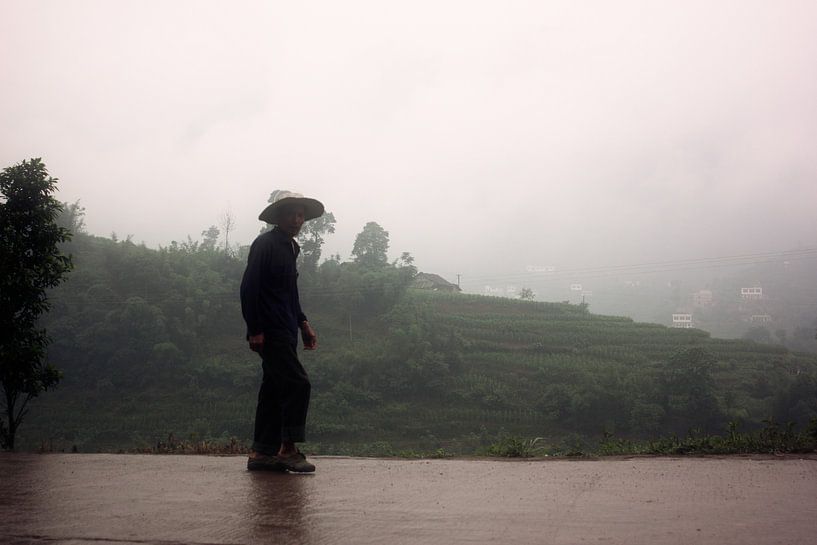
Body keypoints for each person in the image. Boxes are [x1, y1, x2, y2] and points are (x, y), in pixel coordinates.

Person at [240, 190, 324, 473]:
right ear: (278, 217)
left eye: (301, 215)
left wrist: (303, 323)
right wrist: (255, 328)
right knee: (298, 384)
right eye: (291, 214)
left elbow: (290, 292)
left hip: (287, 328)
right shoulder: (264, 245)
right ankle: (287, 449)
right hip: (270, 329)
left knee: (274, 388)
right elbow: (249, 287)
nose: (297, 220)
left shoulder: (291, 248)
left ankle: (262, 452)